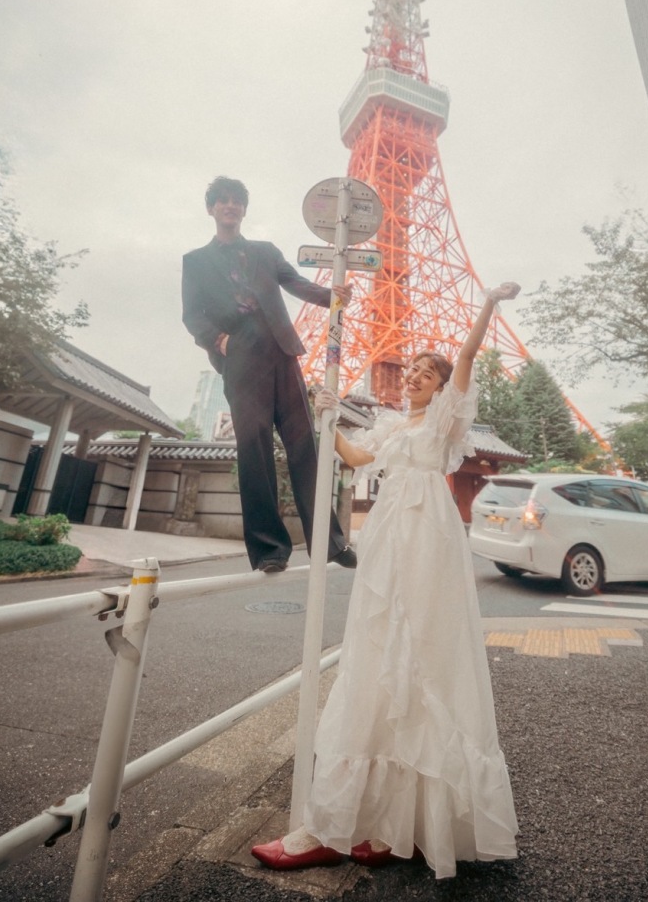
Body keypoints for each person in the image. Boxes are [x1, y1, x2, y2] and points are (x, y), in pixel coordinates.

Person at [251, 282, 521, 879]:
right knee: (378, 646)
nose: (416, 376)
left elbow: (470, 357)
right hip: (388, 537)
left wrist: (488, 305)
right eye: (414, 370)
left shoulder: (447, 421)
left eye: (428, 371)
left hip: (427, 538)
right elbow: (353, 457)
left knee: (420, 649)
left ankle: (406, 821)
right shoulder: (393, 425)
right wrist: (326, 415)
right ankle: (375, 820)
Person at [181, 176, 356, 572]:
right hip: (240, 358)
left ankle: (329, 542)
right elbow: (192, 314)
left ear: (244, 209)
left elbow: (294, 283)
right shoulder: (195, 261)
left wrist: (332, 297)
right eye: (222, 201)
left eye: (236, 201)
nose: (230, 206)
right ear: (211, 209)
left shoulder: (264, 251)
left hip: (282, 351)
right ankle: (269, 550)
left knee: (304, 446)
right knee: (253, 449)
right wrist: (218, 341)